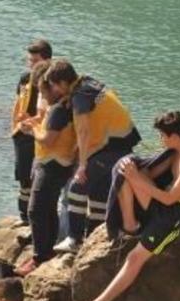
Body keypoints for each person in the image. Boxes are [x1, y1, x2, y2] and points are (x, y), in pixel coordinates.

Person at [69, 112, 180, 301]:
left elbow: (170, 198)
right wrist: (134, 173)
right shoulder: (177, 150)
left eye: (163, 136)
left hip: (176, 215)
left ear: (174, 136)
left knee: (135, 258)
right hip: (163, 204)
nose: (161, 140)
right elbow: (151, 173)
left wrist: (137, 179)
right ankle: (130, 225)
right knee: (125, 167)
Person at [46, 60, 141, 253]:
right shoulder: (88, 84)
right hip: (122, 144)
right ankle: (94, 235)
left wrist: (81, 165)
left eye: (55, 85)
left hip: (110, 148)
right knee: (98, 192)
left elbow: (83, 132)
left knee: (77, 186)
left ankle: (74, 239)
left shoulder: (80, 96)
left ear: (63, 83)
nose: (54, 90)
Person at [15, 61, 77, 276]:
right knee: (48, 208)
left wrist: (32, 129)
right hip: (55, 162)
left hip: (53, 163)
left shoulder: (60, 109)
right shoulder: (62, 106)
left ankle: (40, 256)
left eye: (42, 92)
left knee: (36, 210)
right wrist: (35, 122)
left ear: (52, 87)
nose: (41, 97)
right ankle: (47, 250)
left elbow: (49, 139)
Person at [11, 40, 53, 225]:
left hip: (40, 134)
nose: (31, 65)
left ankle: (35, 217)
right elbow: (18, 102)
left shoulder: (52, 82)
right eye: (30, 60)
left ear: (47, 61)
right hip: (23, 133)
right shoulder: (25, 78)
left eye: (35, 61)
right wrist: (15, 126)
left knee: (38, 177)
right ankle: (24, 217)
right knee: (22, 175)